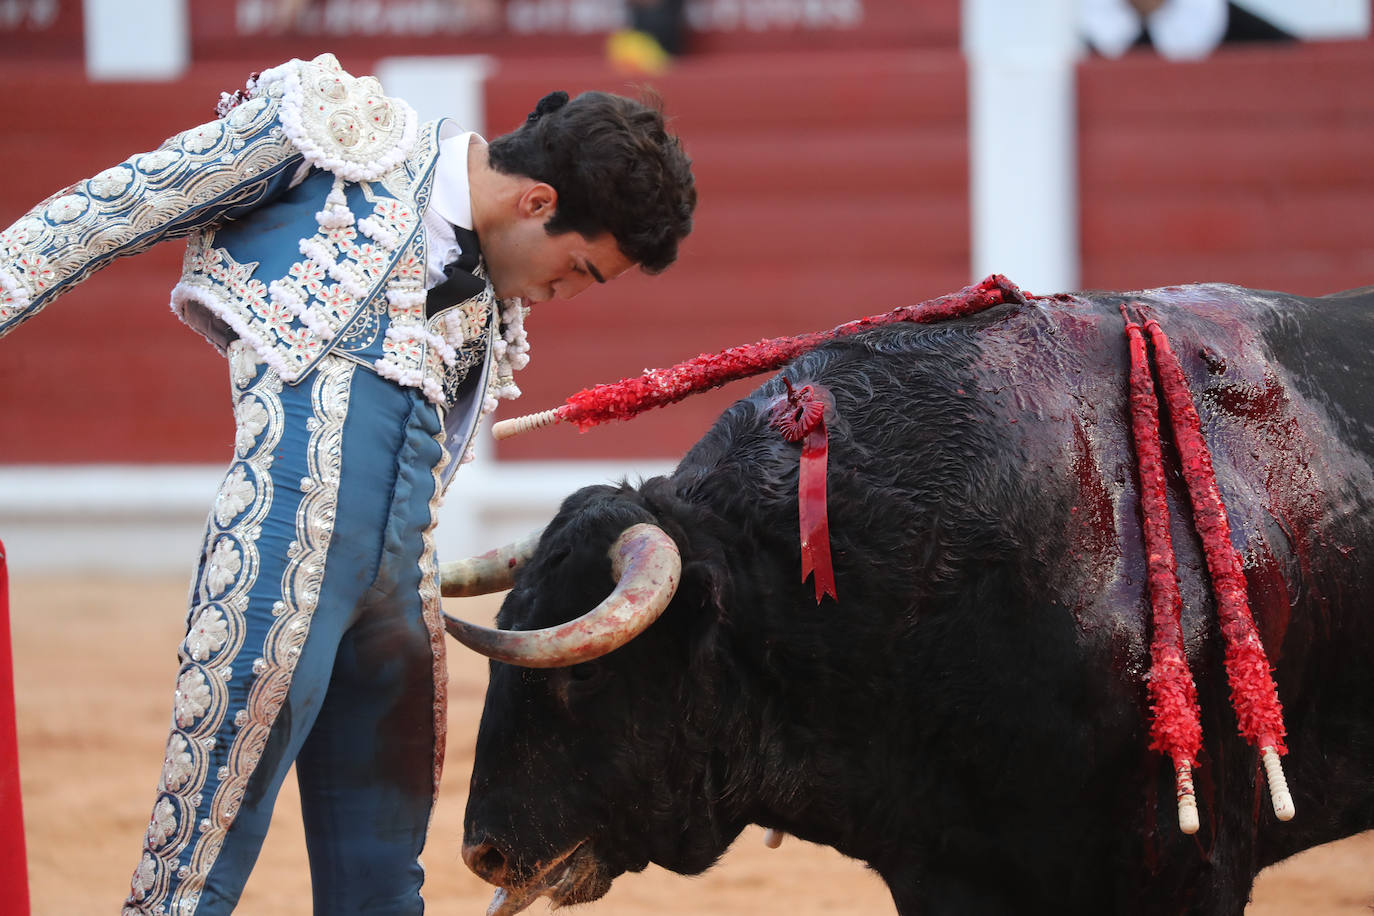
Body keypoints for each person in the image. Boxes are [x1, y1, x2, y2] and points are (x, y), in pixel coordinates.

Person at [0, 52, 695, 915]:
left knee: (383, 887)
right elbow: (108, 211)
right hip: (277, 577)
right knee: (193, 868)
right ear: (538, 202)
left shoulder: (487, 300)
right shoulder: (337, 137)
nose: (566, 293)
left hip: (396, 608)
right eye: (581, 269)